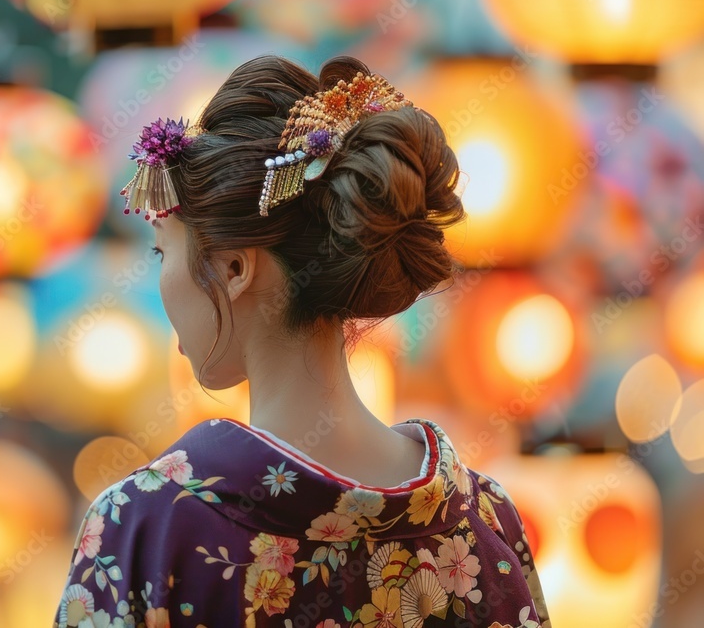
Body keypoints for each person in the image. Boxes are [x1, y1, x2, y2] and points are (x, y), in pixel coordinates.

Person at [53, 55, 551, 628]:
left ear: (235, 268)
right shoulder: (484, 520)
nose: (163, 278)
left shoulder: (148, 526)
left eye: (164, 251)